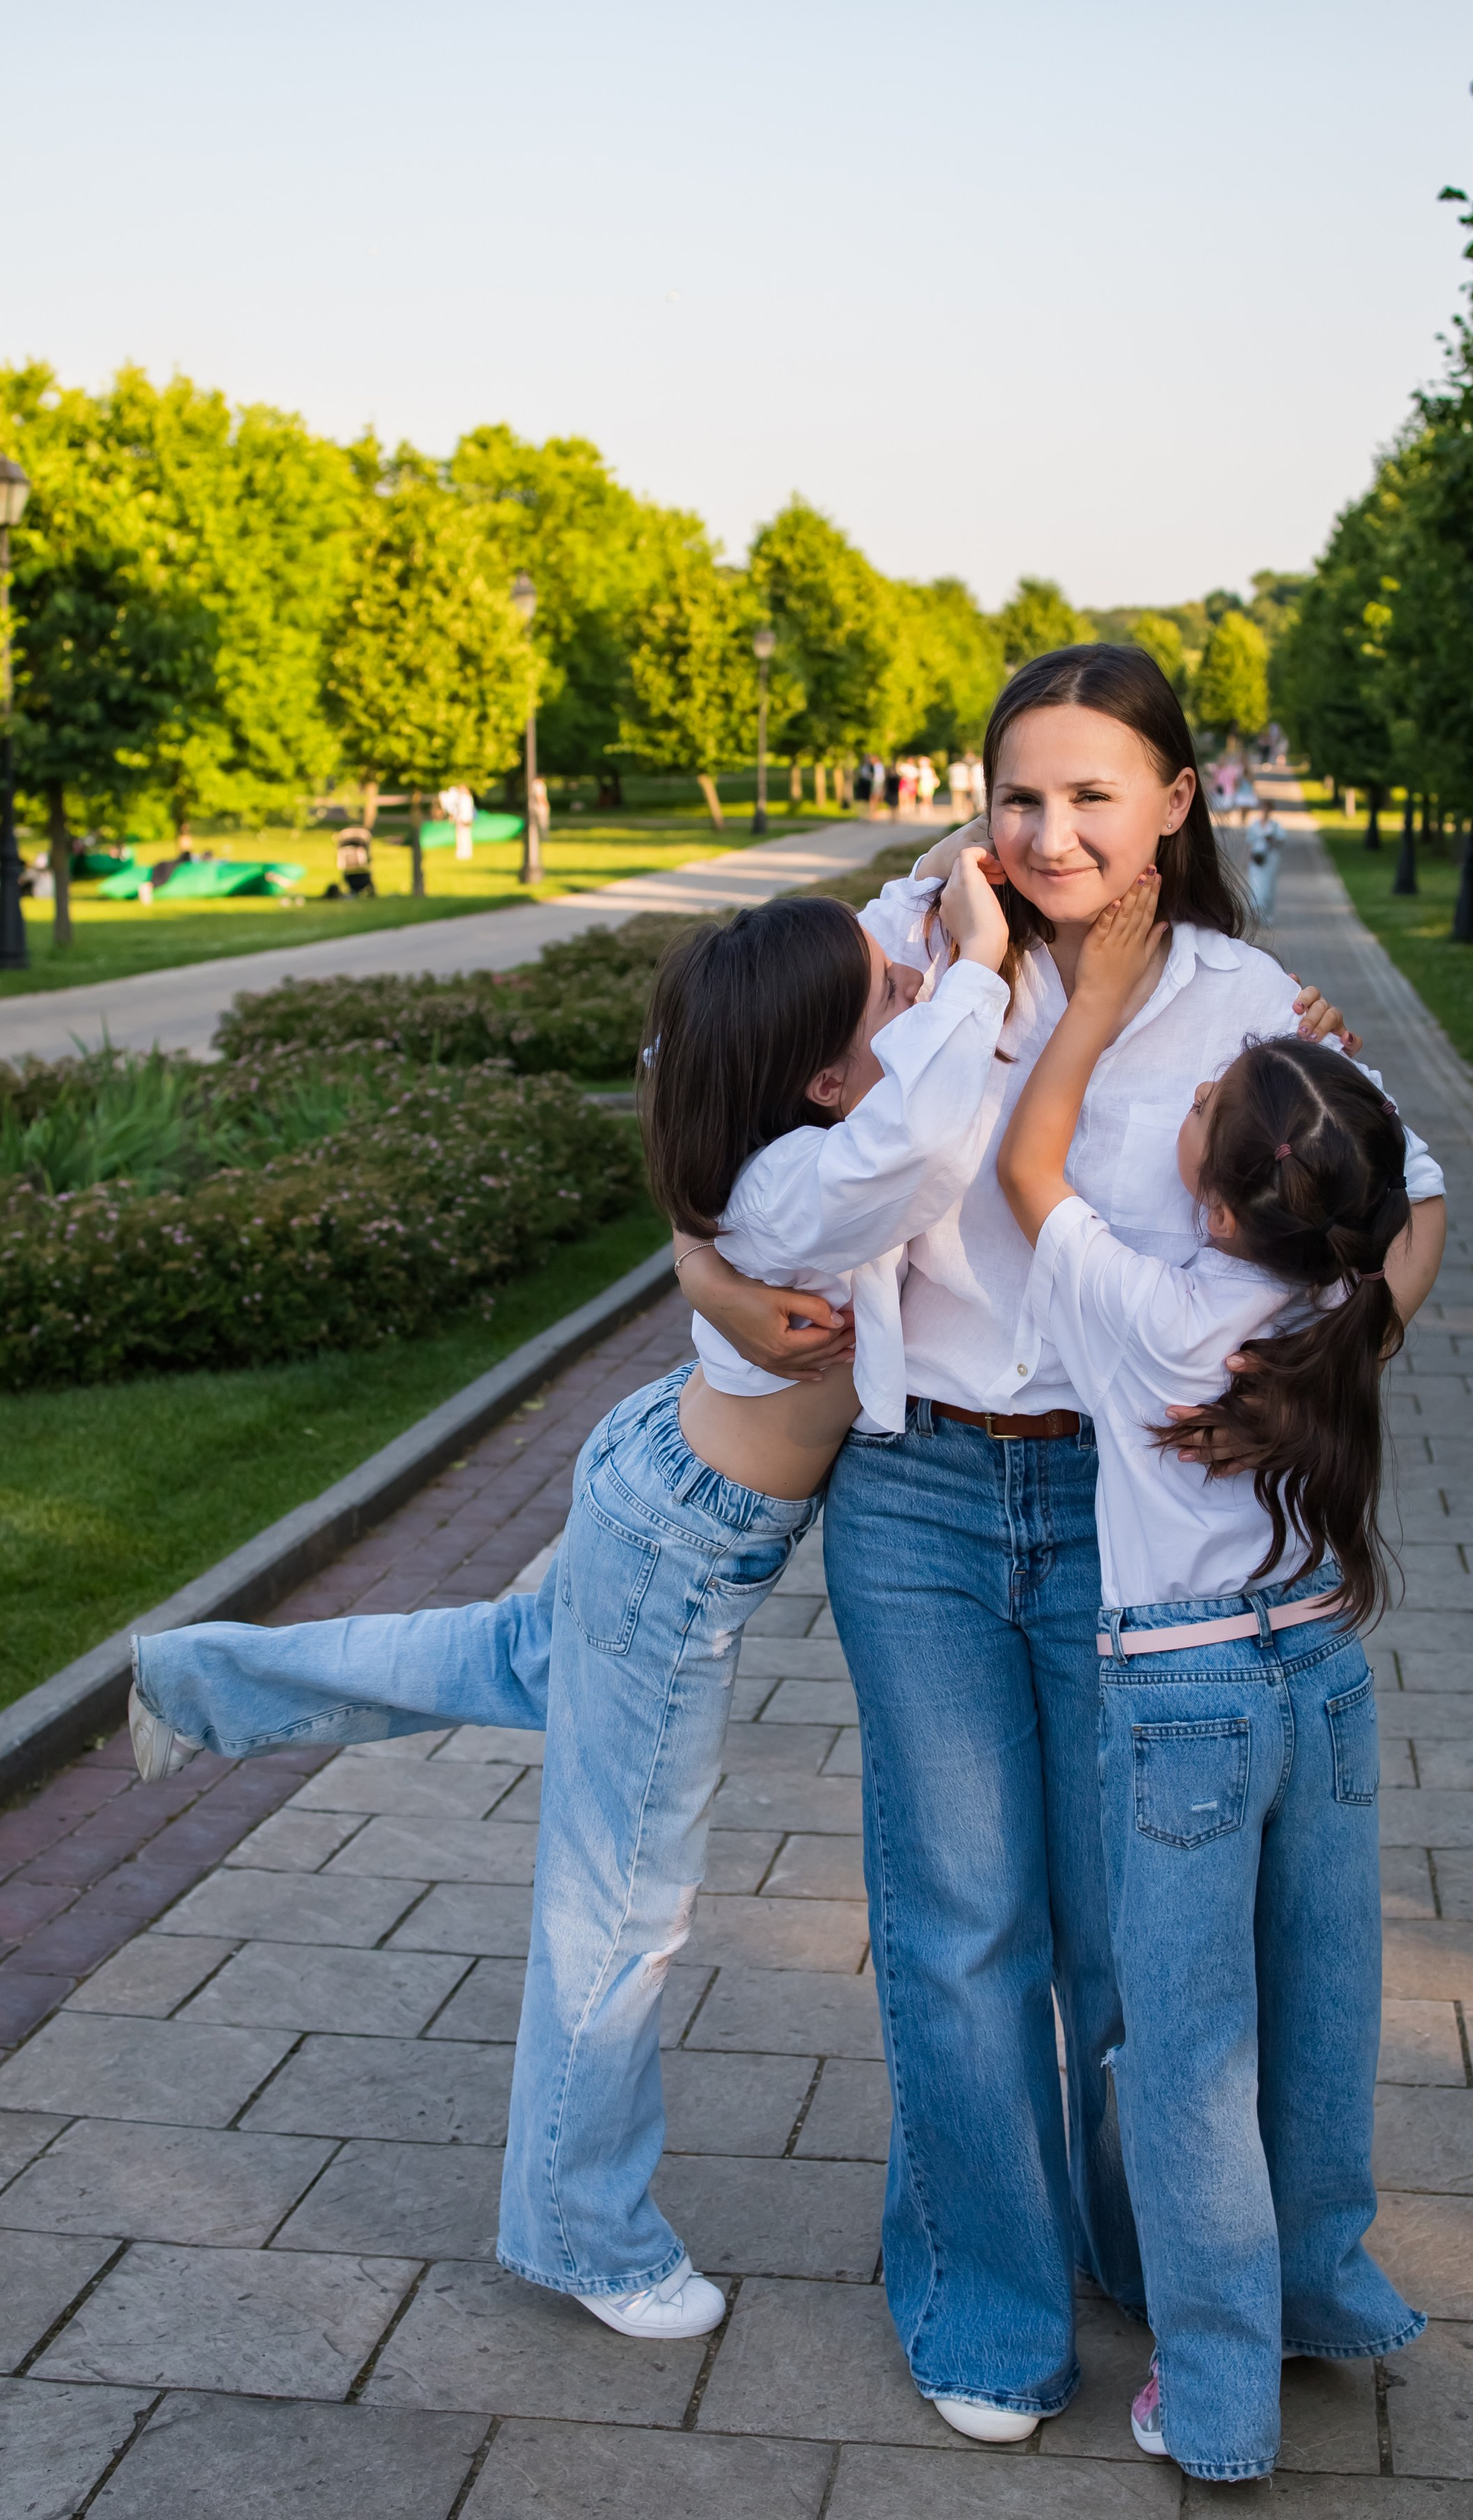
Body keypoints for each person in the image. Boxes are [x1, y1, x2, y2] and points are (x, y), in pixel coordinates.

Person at [676, 644, 1410, 2443]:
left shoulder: (1250, 1004)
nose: (1051, 828)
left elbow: (1412, 1200)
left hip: (1123, 1513)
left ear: (1178, 799)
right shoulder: (904, 947)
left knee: (1116, 1940)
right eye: (1020, 793)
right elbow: (716, 1142)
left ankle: (1128, 2240)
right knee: (955, 1920)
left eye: (1094, 793)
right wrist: (706, 1270)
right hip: (918, 1489)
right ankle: (984, 2304)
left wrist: (1308, 1372)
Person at [127, 859, 1014, 2346]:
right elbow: (925, 1128)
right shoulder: (807, 1178)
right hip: (681, 1555)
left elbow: (855, 998)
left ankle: (194, 1684)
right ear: (813, 1074)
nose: (916, 983)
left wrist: (939, 884)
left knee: (501, 1654)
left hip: (653, 1474)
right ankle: (580, 2233)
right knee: (619, 1905)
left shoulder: (764, 1108)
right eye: (892, 995)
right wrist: (982, 959)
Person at [996, 869, 1445, 2481]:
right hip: (1318, 1670)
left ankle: (1217, 2397)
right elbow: (1397, 1195)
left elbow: (1024, 1165)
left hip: (1181, 1701)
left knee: (1183, 2055)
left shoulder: (1162, 1318)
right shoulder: (1339, 1297)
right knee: (1320, 2003)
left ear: (1210, 1189)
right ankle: (1321, 2291)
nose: (1184, 1090)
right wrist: (1347, 1067)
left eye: (1203, 1101)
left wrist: (1093, 1008)